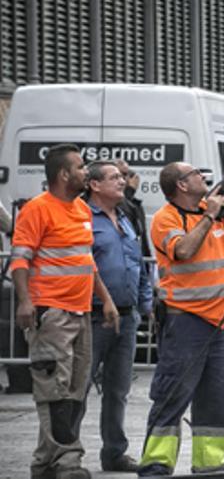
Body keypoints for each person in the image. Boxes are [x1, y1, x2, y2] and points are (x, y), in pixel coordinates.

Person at [138, 139, 224, 476]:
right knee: (171, 397)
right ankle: (155, 466)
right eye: (196, 173)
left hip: (215, 325)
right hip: (185, 323)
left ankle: (210, 466)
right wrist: (209, 214)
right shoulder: (166, 219)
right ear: (182, 185)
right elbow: (183, 250)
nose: (203, 177)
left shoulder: (209, 213)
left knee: (215, 401)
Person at [11, 144, 120, 479]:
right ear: (63, 174)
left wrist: (106, 300)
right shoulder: (37, 209)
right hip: (51, 312)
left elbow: (86, 262)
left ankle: (45, 462)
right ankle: (68, 461)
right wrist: (26, 301)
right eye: (81, 167)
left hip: (80, 311)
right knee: (53, 389)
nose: (86, 172)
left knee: (72, 391)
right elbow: (20, 259)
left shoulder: (81, 210)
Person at [86, 161, 154, 473]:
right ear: (94, 185)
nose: (122, 181)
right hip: (94, 316)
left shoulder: (126, 217)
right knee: (79, 386)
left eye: (123, 176)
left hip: (127, 317)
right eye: (114, 177)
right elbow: (85, 265)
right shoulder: (84, 216)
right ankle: (66, 453)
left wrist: (145, 303)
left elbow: (139, 262)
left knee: (118, 390)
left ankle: (114, 452)